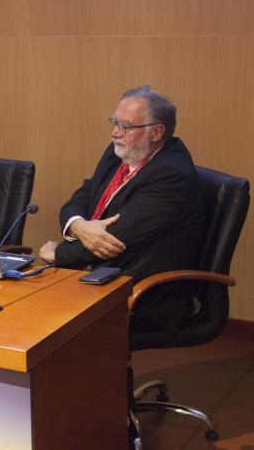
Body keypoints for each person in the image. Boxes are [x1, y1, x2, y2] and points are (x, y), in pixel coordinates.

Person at [39, 85, 206, 332]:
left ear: (156, 132)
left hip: (140, 291)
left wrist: (60, 254)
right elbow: (82, 196)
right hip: (100, 274)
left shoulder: (172, 175)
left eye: (125, 126)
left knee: (42, 320)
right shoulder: (118, 151)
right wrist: (78, 225)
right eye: (113, 122)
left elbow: (115, 240)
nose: (114, 133)